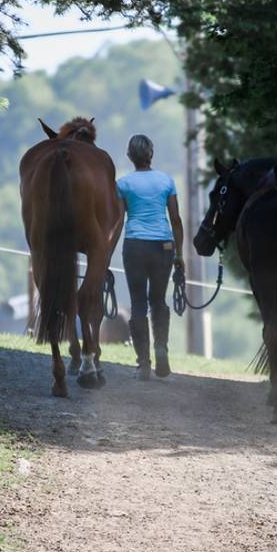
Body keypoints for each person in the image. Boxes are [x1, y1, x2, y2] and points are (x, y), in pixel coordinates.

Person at [116, 134, 185, 380]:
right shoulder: (166, 181)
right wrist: (179, 254)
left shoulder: (123, 184)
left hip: (134, 245)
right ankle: (161, 349)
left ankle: (144, 364)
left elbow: (118, 221)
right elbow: (175, 219)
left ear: (129, 156)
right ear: (151, 154)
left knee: (138, 303)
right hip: (163, 246)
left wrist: (107, 251)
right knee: (158, 300)